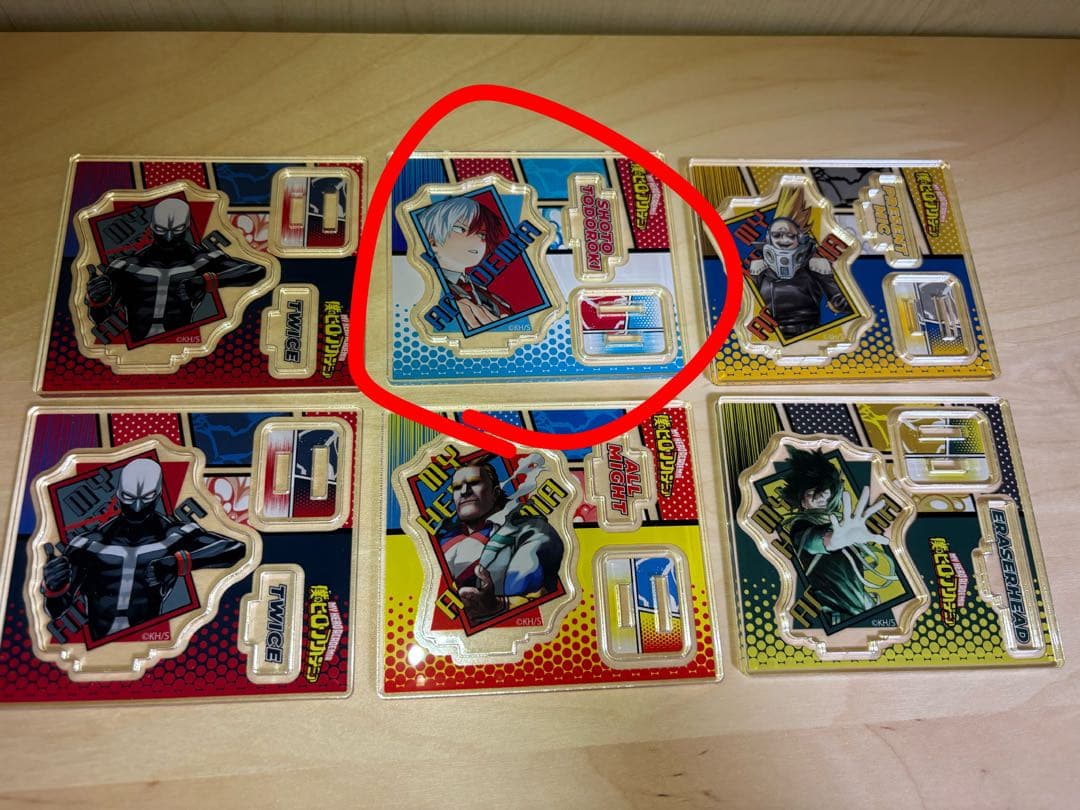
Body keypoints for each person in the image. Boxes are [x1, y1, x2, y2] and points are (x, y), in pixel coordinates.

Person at [42, 457, 246, 642]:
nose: (137, 507)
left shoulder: (174, 535)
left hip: (149, 642)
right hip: (101, 644)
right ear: (119, 494)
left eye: (146, 497)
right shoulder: (88, 544)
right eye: (129, 497)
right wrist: (54, 587)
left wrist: (178, 563)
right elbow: (55, 610)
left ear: (157, 494)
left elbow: (235, 548)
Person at [86, 197, 265, 343]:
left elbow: (256, 271)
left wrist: (206, 281)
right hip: (140, 345)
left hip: (182, 344)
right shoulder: (125, 266)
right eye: (161, 229)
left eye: (176, 229)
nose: (169, 237)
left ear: (187, 226)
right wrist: (97, 300)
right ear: (152, 227)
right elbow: (100, 318)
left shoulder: (202, 260)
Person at [435, 459, 564, 623]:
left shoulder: (532, 530)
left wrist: (499, 605)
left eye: (474, 483)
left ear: (495, 493)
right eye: (457, 487)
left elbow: (530, 594)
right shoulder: (441, 539)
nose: (464, 491)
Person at [778, 448, 892, 627]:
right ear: (802, 501)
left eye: (823, 490)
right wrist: (832, 541)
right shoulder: (801, 525)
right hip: (835, 616)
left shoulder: (842, 522)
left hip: (861, 609)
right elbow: (812, 541)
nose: (820, 496)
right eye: (811, 493)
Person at [415, 196, 512, 331]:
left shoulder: (485, 295)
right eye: (460, 229)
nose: (476, 240)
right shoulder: (423, 288)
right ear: (431, 239)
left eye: (481, 234)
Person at [747, 217, 852, 339]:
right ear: (769, 239)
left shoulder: (815, 266)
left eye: (790, 236)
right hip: (771, 337)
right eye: (777, 235)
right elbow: (745, 306)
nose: (784, 240)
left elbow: (842, 303)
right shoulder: (759, 270)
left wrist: (830, 283)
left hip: (809, 335)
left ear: (799, 238)